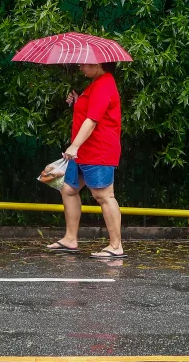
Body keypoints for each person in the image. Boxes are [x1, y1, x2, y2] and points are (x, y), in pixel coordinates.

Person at [46, 62, 126, 258]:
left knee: (104, 196)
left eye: (84, 65)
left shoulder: (104, 85)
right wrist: (78, 101)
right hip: (84, 150)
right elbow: (89, 112)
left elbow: (92, 120)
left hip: (98, 150)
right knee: (69, 189)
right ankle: (70, 239)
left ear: (97, 64)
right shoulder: (96, 84)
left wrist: (74, 146)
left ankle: (116, 246)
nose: (81, 68)